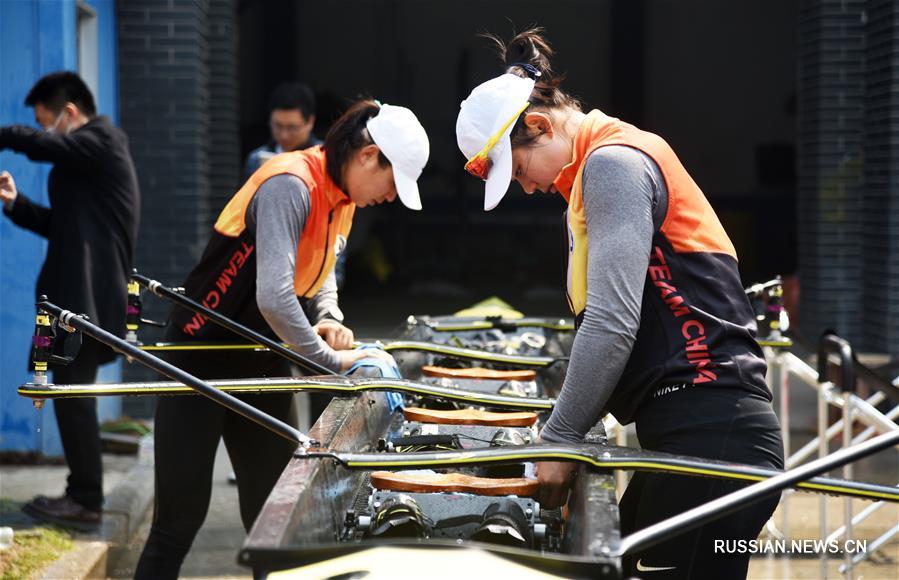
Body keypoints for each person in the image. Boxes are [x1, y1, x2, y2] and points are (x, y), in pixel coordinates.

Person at [456, 29, 783, 579]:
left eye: (519, 171)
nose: (528, 189)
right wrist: (567, 416)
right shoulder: (592, 173)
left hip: (715, 440)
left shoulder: (613, 165)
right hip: (693, 436)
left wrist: (559, 437)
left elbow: (611, 323)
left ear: (538, 125)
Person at [135, 99, 428, 579]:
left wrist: (329, 315)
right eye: (393, 184)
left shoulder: (343, 198)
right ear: (369, 156)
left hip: (264, 361)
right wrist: (333, 362)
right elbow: (273, 297)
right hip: (199, 359)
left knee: (278, 524)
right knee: (177, 523)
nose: (391, 197)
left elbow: (325, 270)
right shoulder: (290, 183)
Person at [0, 72, 140, 530]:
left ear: (71, 113)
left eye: (46, 122)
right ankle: (82, 493)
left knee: (73, 394)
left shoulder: (103, 139)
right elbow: (63, 226)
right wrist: (15, 203)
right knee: (68, 391)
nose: (44, 132)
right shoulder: (87, 159)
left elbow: (45, 148)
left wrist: (7, 136)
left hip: (87, 297)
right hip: (74, 292)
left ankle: (86, 499)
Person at [243, 81, 320, 182]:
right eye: (278, 126)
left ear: (310, 122)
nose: (284, 135)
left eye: (292, 128)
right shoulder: (256, 159)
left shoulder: (324, 159)